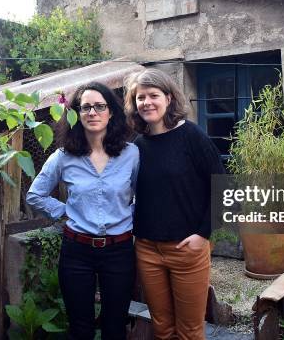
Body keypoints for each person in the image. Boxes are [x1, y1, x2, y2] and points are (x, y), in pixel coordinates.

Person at [26, 82, 139, 340]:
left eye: (100, 106)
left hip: (119, 251)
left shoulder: (131, 154)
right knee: (80, 328)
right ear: (76, 114)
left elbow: (143, 196)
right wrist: (67, 212)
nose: (92, 112)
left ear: (111, 112)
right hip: (77, 252)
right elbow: (35, 194)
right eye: (85, 107)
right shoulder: (64, 157)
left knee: (115, 326)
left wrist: (128, 217)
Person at [124, 69, 225, 340]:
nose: (146, 102)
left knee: (190, 332)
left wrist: (203, 234)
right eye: (140, 97)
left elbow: (225, 187)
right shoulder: (138, 146)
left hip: (186, 251)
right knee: (162, 328)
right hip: (147, 249)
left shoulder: (192, 137)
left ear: (168, 98)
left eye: (153, 95)